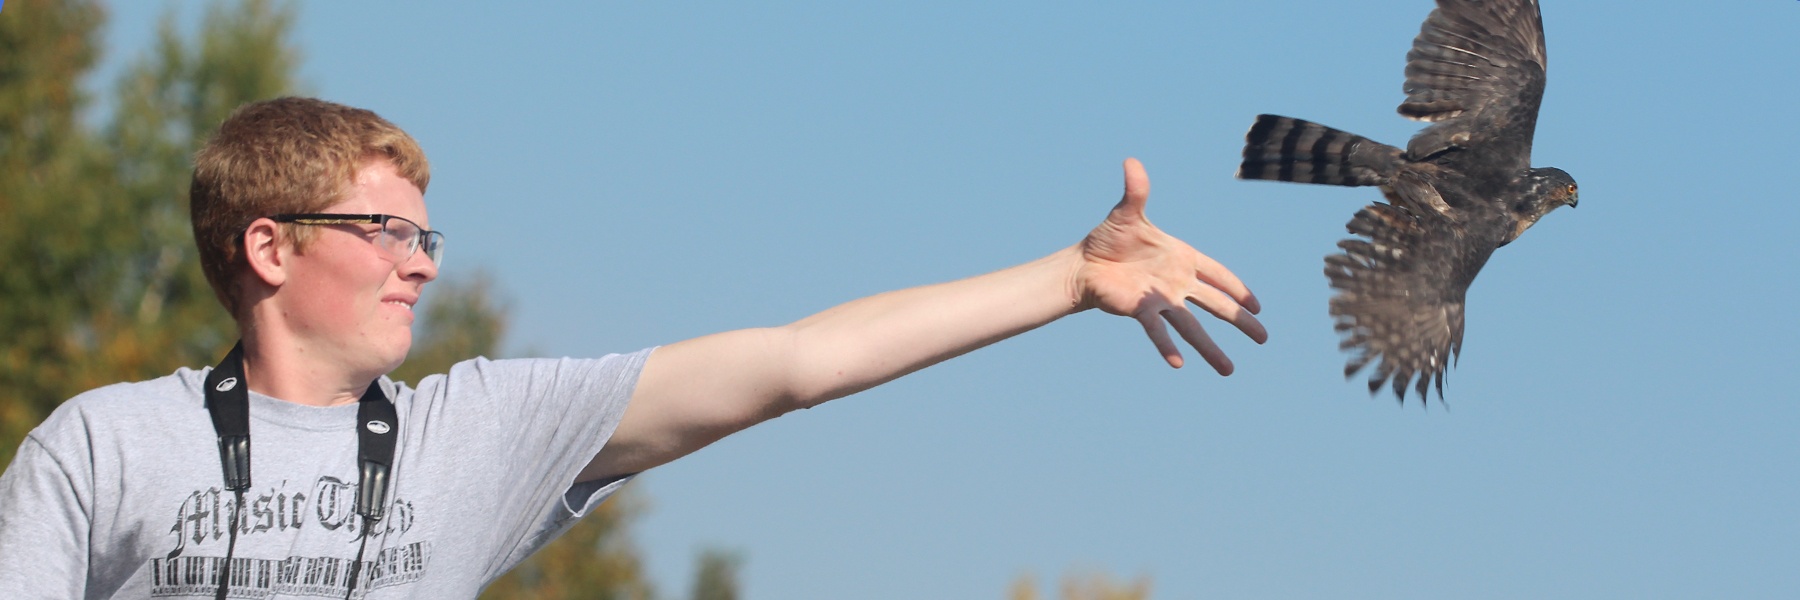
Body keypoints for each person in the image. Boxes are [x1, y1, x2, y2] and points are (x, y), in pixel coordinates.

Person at [0, 97, 1266, 598]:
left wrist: (1063, 278)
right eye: (384, 230)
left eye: (429, 233)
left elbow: (794, 363)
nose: (425, 260)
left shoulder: (475, 431)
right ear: (269, 249)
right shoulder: (108, 445)